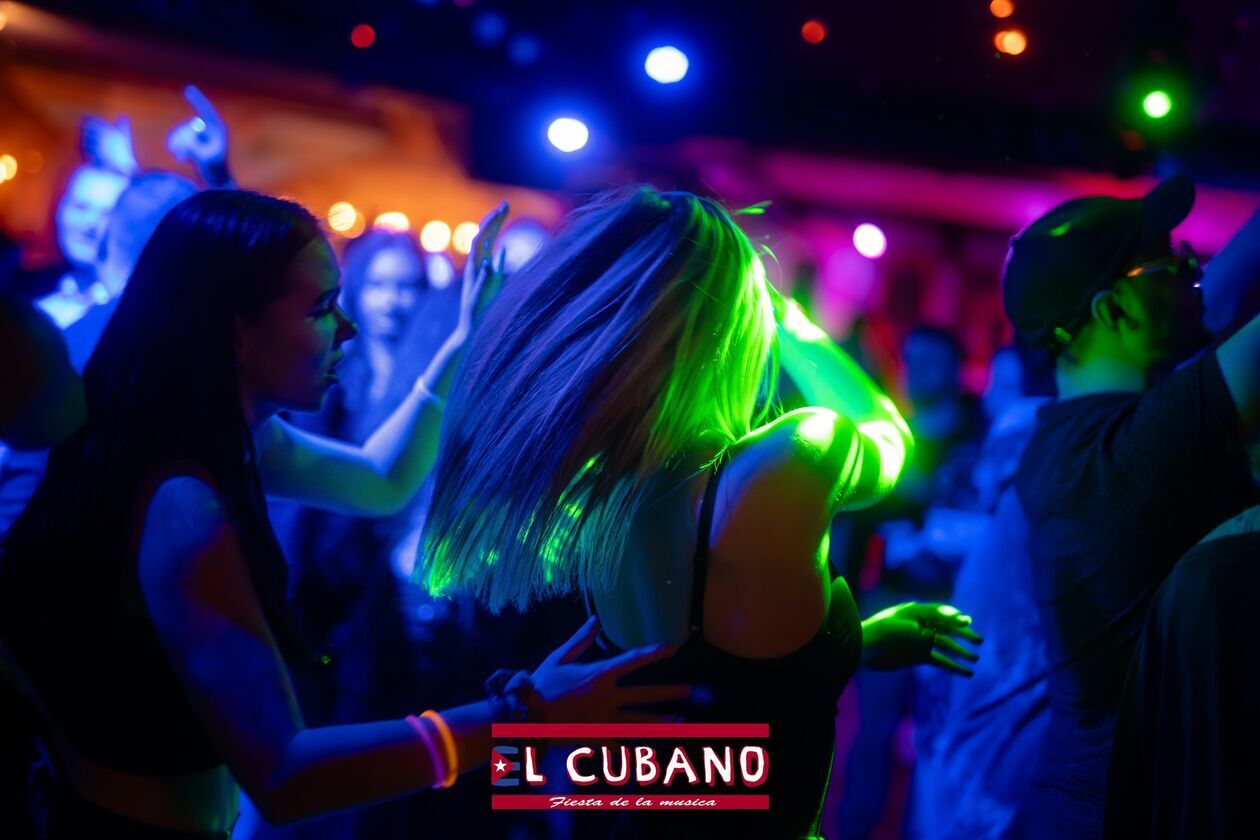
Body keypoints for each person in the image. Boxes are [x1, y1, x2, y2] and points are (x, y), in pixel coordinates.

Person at [0, 190, 688, 838]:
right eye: (322, 307)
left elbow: (380, 481)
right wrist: (517, 716)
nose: (348, 327)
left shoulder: (226, 436)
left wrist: (460, 342)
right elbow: (284, 775)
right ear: (236, 331)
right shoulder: (183, 503)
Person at [420, 186, 982, 839]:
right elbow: (891, 442)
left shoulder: (591, 487)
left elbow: (705, 719)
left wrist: (851, 647)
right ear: (734, 326)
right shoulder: (790, 458)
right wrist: (794, 325)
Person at [1001, 174, 1260, 838]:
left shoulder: (1064, 444)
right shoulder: (1130, 454)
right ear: (1115, 310)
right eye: (1170, 263)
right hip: (1122, 816)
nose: (1193, 270)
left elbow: (1223, 295)